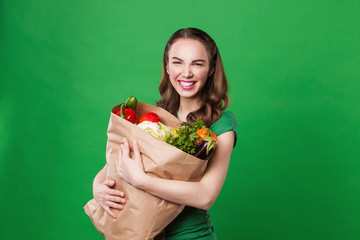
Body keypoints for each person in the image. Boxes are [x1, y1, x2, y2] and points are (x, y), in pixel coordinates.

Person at [92, 28, 237, 239]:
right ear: (167, 67)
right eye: (177, 62)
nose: (186, 72)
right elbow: (113, 165)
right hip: (143, 233)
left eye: (197, 63)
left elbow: (205, 196)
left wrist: (142, 180)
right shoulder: (154, 118)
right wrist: (98, 189)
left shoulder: (221, 123)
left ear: (212, 69)